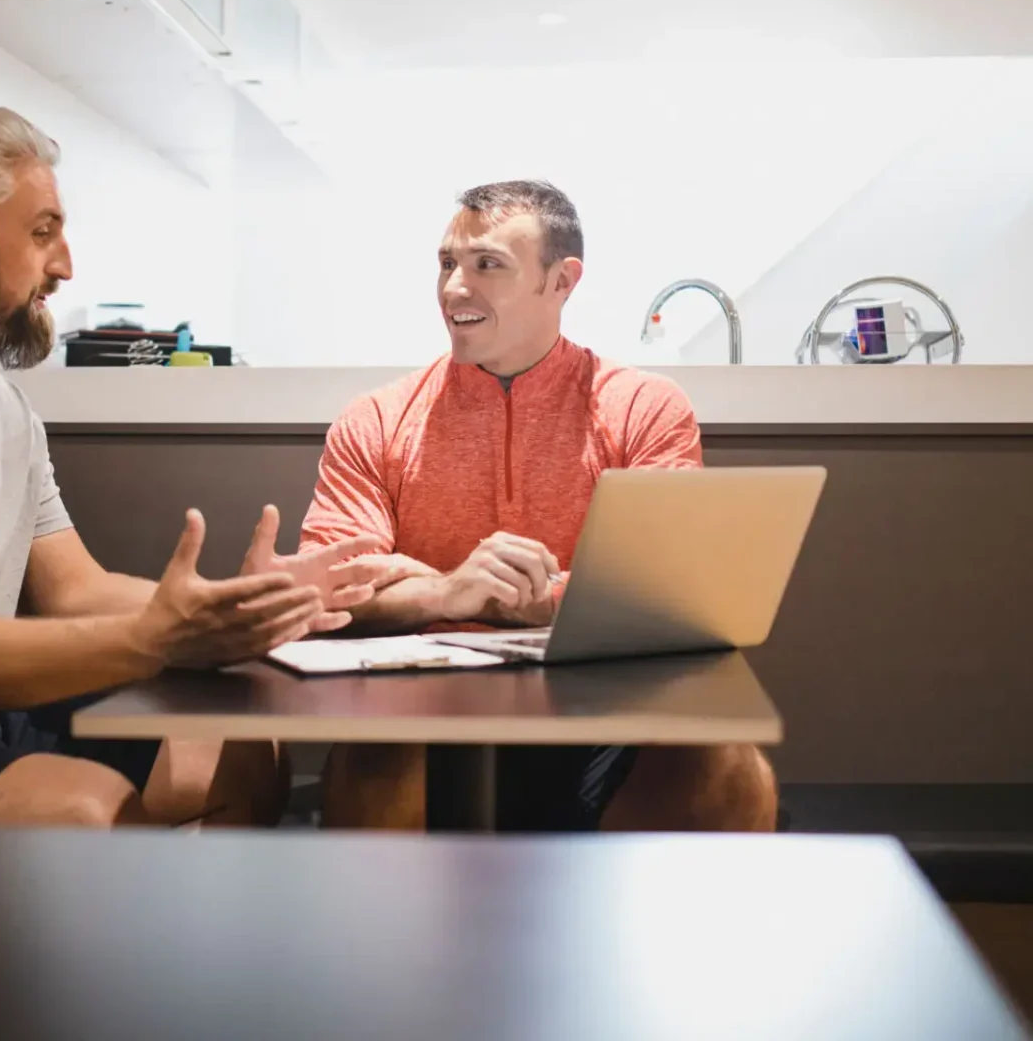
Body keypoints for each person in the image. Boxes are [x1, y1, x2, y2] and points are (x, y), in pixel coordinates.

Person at [0, 105, 383, 875]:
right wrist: (156, 639)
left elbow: (75, 590)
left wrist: (229, 606)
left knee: (239, 755)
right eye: (43, 231)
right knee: (91, 811)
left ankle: (187, 977)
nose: (67, 265)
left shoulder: (3, 407)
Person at [290, 179, 777, 832]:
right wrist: (448, 594)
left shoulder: (644, 408)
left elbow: (668, 593)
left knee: (722, 765)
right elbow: (326, 589)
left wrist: (538, 598)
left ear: (562, 281)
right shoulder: (374, 420)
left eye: (487, 264)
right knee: (381, 768)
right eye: (447, 263)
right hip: (424, 715)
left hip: (607, 713)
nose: (454, 288)